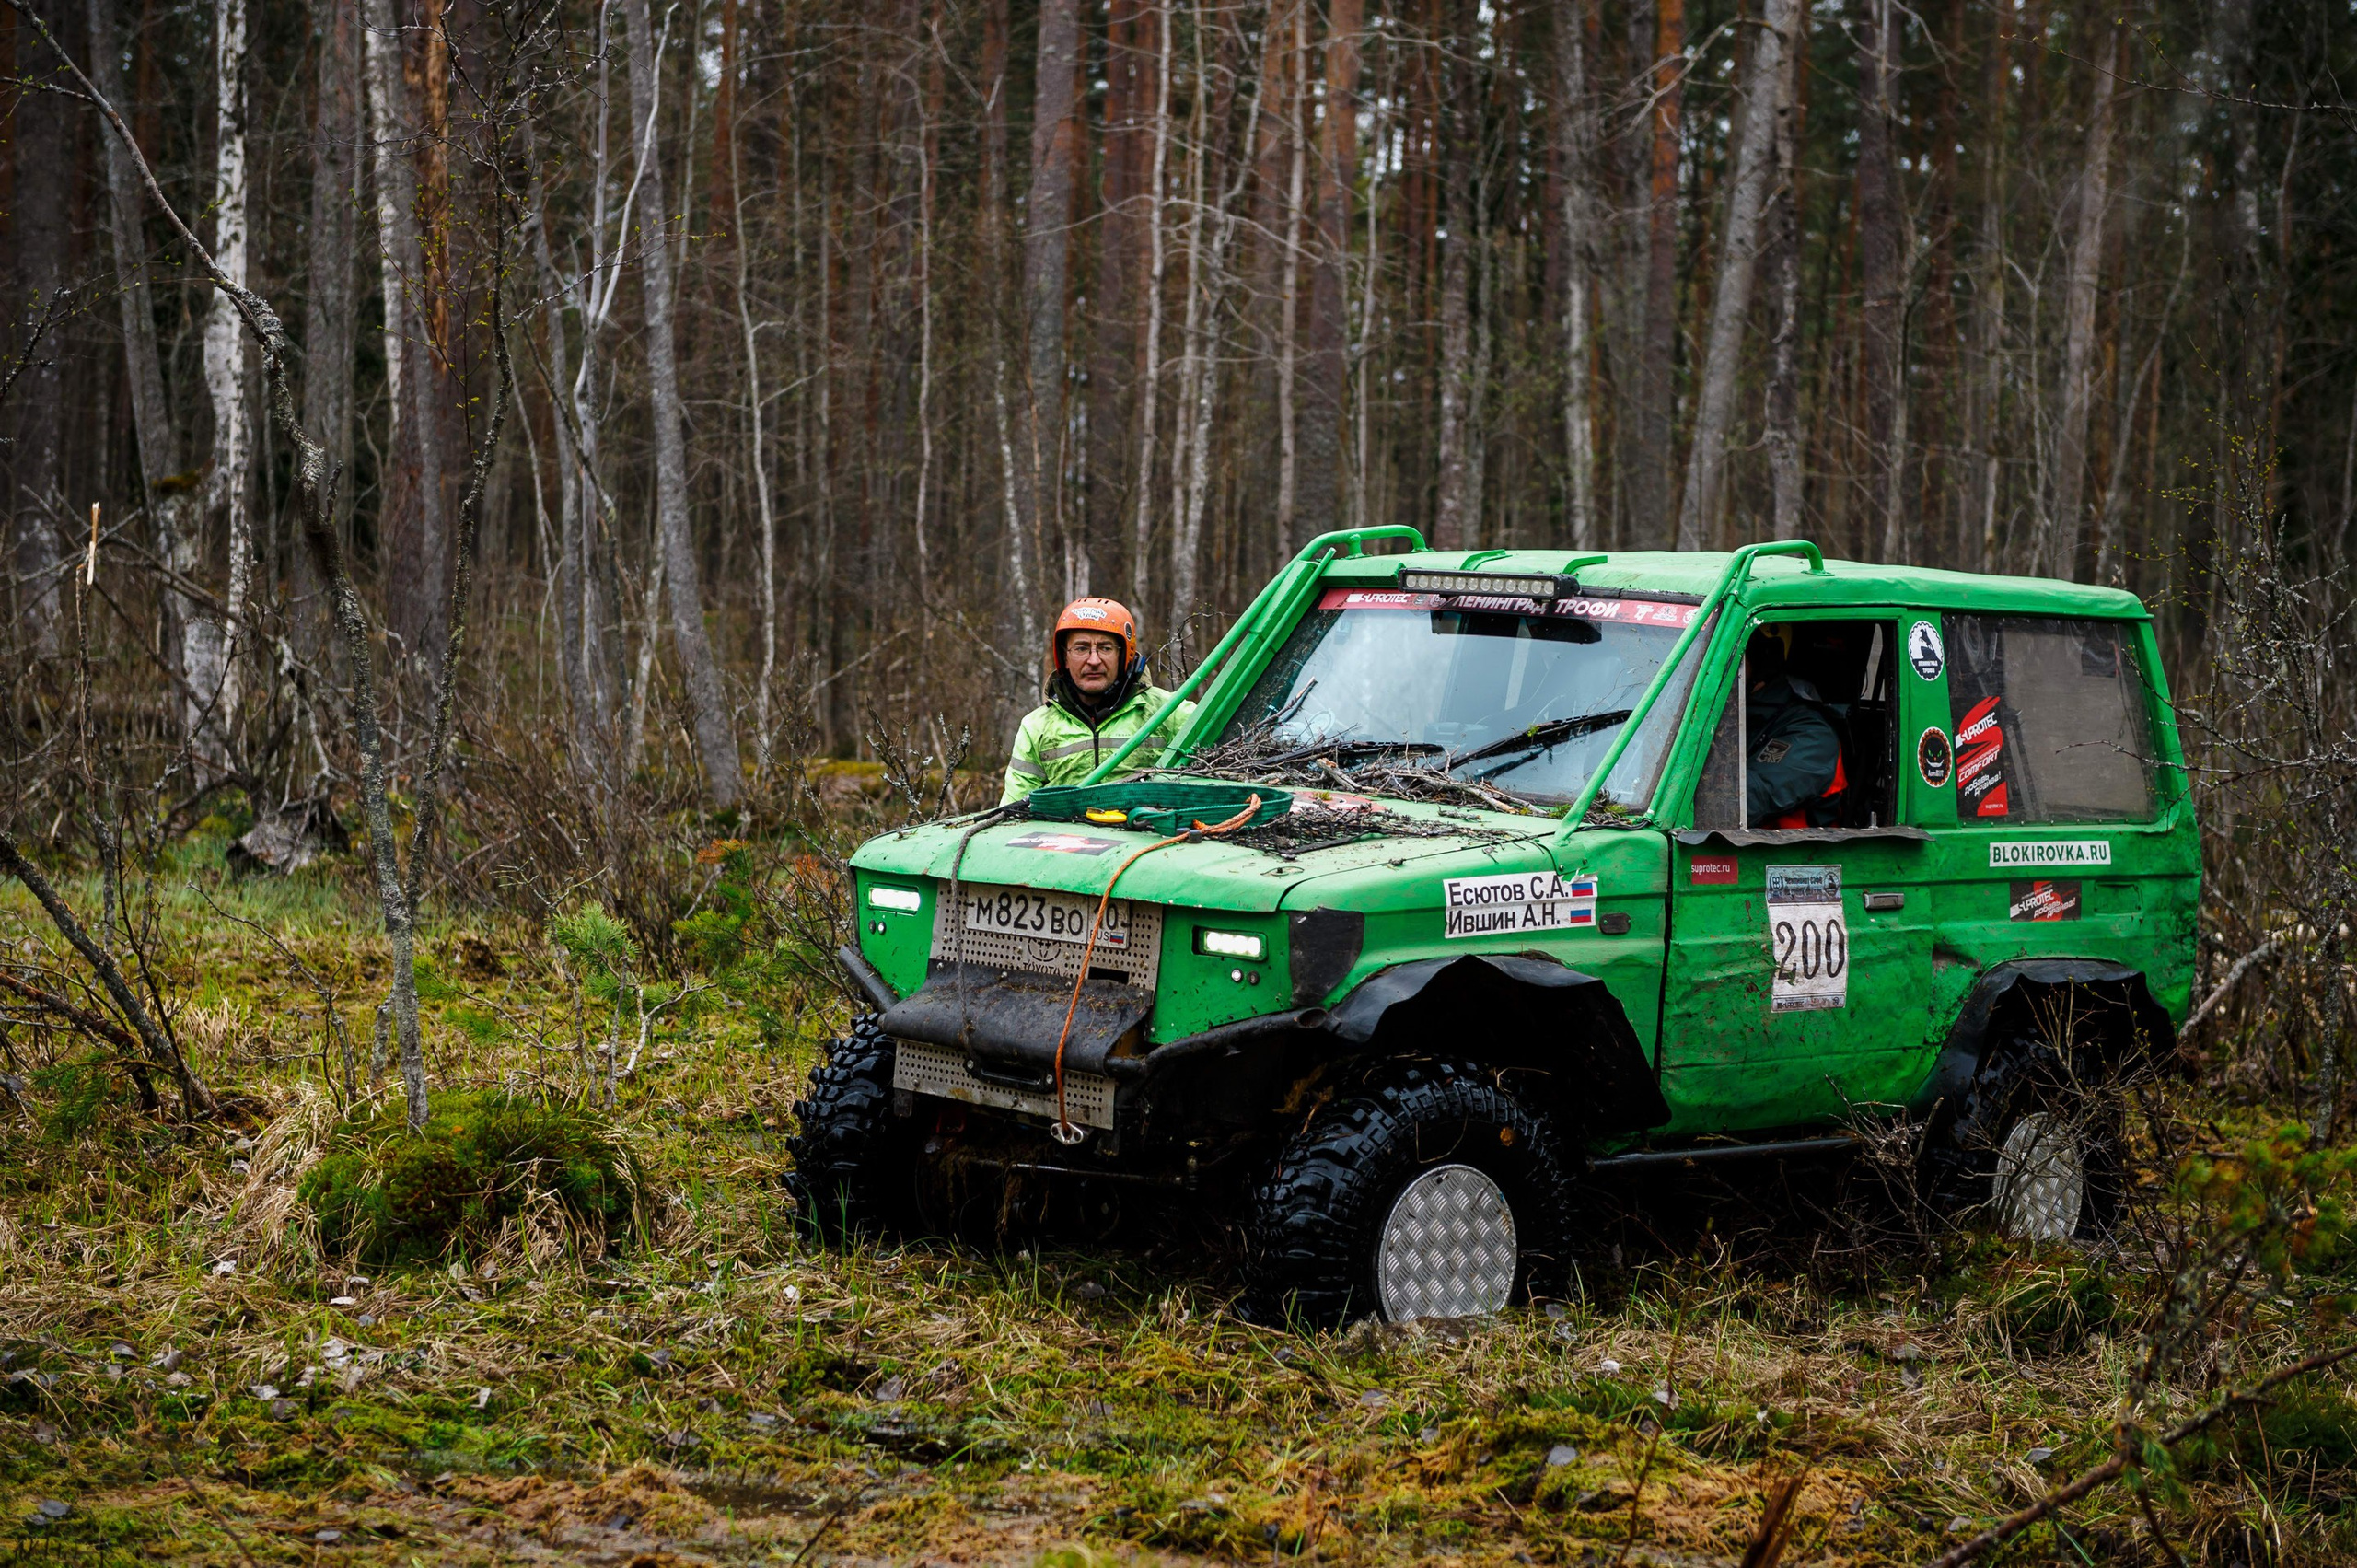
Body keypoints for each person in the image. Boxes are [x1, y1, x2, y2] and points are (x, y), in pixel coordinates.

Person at [1002, 598, 1198, 804]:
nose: (1094, 660)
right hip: (1064, 825)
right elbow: (1012, 810)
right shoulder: (1036, 728)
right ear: (1065, 658)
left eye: (1105, 648)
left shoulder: (1169, 712)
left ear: (1124, 655)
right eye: (1081, 648)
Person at [1745, 632, 1848, 828]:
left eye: (1737, 662)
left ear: (1763, 662)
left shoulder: (1813, 736)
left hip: (1793, 846)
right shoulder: (1740, 714)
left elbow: (1746, 799)